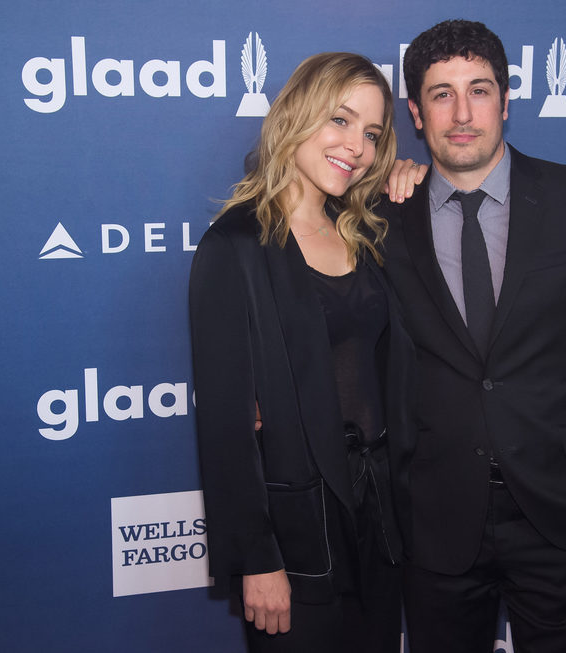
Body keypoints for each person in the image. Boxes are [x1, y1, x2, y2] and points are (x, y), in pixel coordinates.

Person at [380, 20, 566, 653]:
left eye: (478, 89)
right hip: (435, 519)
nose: (461, 112)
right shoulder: (381, 217)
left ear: (507, 100)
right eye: (440, 93)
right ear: (416, 115)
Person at [188, 52, 413, 653]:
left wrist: (412, 179)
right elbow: (225, 426)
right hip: (297, 533)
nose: (357, 146)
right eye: (340, 120)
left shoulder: (364, 233)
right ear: (296, 114)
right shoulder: (234, 245)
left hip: (380, 523)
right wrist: (256, 558)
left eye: (372, 133)